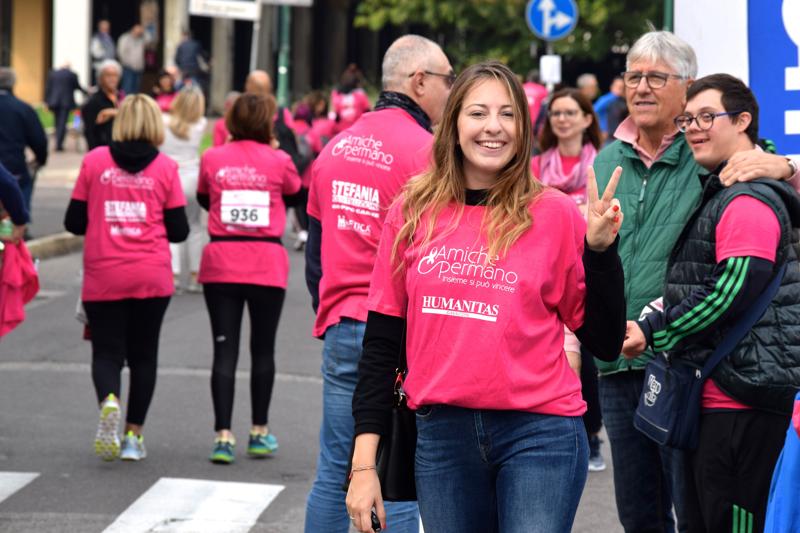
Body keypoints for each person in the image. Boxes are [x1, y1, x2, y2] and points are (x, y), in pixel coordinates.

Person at [345, 60, 626, 533]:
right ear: (453, 124)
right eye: (477, 113)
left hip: (540, 434)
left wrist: (600, 253)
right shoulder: (412, 212)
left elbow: (604, 339)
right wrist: (362, 466)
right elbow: (381, 343)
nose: (493, 127)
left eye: (507, 114)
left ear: (522, 127)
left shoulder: (554, 213)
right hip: (442, 436)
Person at [590, 30, 800, 533]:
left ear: (685, 86)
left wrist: (786, 164)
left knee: (704, 510)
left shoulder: (725, 165)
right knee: (641, 513)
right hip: (623, 360)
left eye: (655, 78)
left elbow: (732, 283)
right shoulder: (607, 158)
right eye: (633, 76)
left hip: (697, 368)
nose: (640, 88)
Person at [303, 34, 453, 533]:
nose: (452, 92)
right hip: (400, 333)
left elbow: (315, 257)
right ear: (420, 82)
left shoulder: (335, 147)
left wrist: (332, 307)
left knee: (334, 470)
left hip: (343, 323)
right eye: (448, 80)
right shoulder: (428, 153)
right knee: (397, 472)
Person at [63, 94, 189, 462]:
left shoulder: (94, 162)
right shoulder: (166, 167)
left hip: (105, 274)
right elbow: (179, 230)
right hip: (151, 275)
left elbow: (72, 221)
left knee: (106, 352)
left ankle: (110, 401)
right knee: (144, 355)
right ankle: (134, 437)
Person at [196, 93, 301, 464]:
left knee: (224, 350)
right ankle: (259, 431)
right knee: (263, 349)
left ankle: (223, 436)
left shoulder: (213, 157)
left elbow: (204, 198)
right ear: (267, 123)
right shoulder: (280, 160)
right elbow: (294, 192)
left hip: (222, 260)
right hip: (265, 263)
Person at [531, 87, 607, 472]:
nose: (562, 119)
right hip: (542, 273)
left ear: (587, 118)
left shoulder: (603, 164)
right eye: (556, 113)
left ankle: (591, 433)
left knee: (588, 360)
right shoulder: (535, 167)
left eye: (570, 112)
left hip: (588, 273)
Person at [160, 87, 207, 292]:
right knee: (195, 226)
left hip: (170, 177)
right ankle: (196, 275)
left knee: (171, 226)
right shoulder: (201, 124)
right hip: (192, 177)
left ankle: (174, 274)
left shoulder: (163, 122)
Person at [0, 67, 48, 218]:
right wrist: (40, 159)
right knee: (17, 202)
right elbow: (38, 139)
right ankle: (19, 224)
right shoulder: (23, 108)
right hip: (14, 165)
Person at [45, 62, 87, 152]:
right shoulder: (72, 75)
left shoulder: (53, 74)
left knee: (57, 123)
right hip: (65, 102)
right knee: (62, 123)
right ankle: (59, 144)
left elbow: (48, 88)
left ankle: (58, 142)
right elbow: (78, 87)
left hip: (54, 101)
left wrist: (47, 101)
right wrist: (87, 92)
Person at [82, 60, 122, 150]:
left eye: (115, 75)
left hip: (121, 150)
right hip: (103, 150)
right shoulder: (93, 102)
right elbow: (89, 132)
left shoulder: (122, 98)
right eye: (108, 75)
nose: (112, 79)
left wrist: (113, 112)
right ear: (100, 78)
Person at [330, 64, 371, 135]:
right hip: (358, 131)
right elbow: (368, 112)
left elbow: (333, 115)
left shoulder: (336, 94)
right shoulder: (360, 94)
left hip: (340, 132)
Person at [117, 24, 147, 96]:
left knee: (136, 90)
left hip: (138, 69)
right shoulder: (125, 38)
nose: (138, 31)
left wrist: (144, 32)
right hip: (128, 68)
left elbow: (150, 40)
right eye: (137, 29)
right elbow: (120, 52)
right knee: (127, 89)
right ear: (133, 29)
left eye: (140, 30)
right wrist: (127, 63)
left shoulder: (141, 39)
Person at [89, 20, 115, 85]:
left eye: (107, 28)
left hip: (108, 65)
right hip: (100, 65)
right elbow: (95, 53)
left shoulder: (109, 38)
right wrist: (104, 54)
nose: (106, 30)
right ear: (100, 28)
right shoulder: (96, 38)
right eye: (104, 28)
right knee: (99, 83)